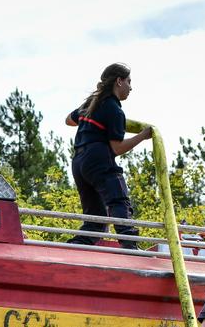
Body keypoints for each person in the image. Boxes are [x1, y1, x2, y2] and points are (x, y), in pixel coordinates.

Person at [64, 62, 152, 245]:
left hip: (79, 162)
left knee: (96, 216)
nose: (131, 87)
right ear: (119, 81)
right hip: (97, 158)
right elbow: (117, 148)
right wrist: (142, 136)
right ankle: (129, 243)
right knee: (118, 199)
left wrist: (90, 122)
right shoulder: (114, 109)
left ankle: (80, 245)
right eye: (129, 81)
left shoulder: (91, 104)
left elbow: (68, 121)